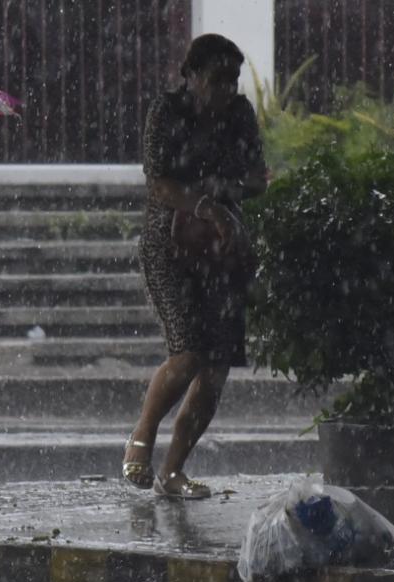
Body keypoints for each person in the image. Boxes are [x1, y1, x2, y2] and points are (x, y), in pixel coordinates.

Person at [122, 34, 268, 499]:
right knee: (187, 354)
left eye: (233, 79)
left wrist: (217, 190)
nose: (226, 88)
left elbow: (255, 178)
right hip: (170, 246)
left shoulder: (240, 116)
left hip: (223, 253)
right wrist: (209, 204)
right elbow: (160, 185)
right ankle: (140, 441)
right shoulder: (166, 113)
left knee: (216, 368)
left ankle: (173, 472)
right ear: (191, 75)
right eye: (216, 78)